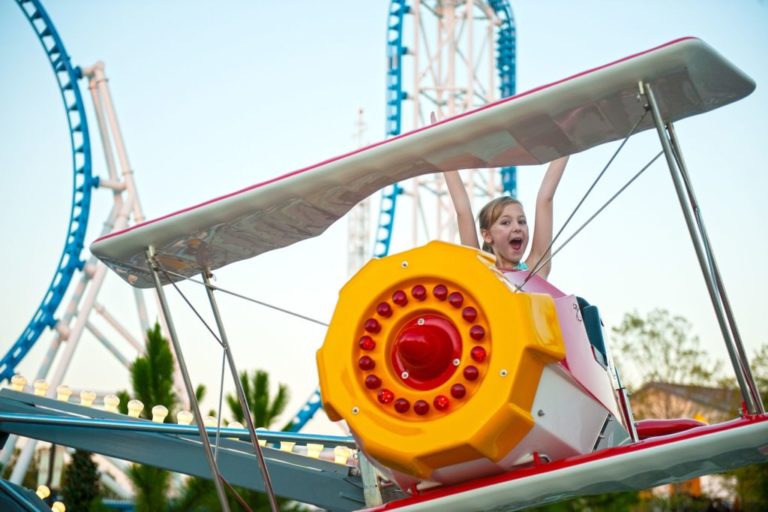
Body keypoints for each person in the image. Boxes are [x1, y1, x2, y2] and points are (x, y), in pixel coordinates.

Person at [443, 156, 568, 280]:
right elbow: (463, 212)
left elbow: (545, 199)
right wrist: (445, 156)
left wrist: (565, 145)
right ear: (487, 235)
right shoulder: (479, 268)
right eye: (506, 222)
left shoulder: (535, 267)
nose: (517, 227)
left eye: (522, 221)